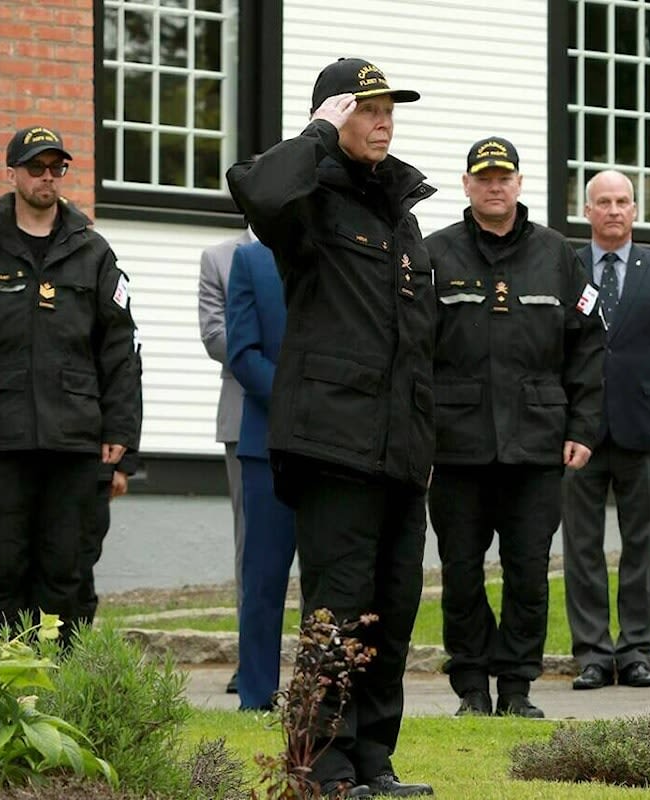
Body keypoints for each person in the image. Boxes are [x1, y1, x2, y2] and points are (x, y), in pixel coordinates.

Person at [226, 58, 435, 798]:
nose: (382, 121)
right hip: (334, 443)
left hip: (400, 452)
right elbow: (255, 186)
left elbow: (420, 341)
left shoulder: (402, 214)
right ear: (334, 115)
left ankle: (373, 762)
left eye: (389, 111)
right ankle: (322, 769)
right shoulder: (308, 200)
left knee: (391, 616)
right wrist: (316, 131)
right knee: (337, 617)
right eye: (366, 108)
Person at [0, 125, 142, 642]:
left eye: (56, 168)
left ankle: (64, 692)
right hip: (1, 440)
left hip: (76, 443)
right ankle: (1, 689)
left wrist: (124, 439)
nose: (47, 178)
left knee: (67, 573)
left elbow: (122, 351)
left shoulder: (93, 253)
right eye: (35, 168)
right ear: (13, 174)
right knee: (5, 571)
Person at [425, 137, 604, 719]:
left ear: (520, 183)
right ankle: (472, 685)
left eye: (504, 177)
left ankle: (518, 686)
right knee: (460, 574)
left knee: (529, 574)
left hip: (535, 445)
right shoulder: (435, 255)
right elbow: (413, 350)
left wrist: (583, 425)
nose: (495, 186)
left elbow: (588, 345)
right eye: (484, 177)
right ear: (467, 185)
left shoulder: (557, 255)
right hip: (457, 447)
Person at [561, 170, 650, 691]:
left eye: (622, 202)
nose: (613, 210)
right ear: (587, 211)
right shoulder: (565, 266)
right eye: (603, 202)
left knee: (643, 545)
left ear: (635, 210)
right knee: (582, 546)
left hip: (645, 430)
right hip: (580, 435)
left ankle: (637, 650)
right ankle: (592, 652)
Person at [225, 237, 295, 713]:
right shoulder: (249, 261)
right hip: (267, 440)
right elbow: (243, 352)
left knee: (334, 579)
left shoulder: (338, 248)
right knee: (264, 577)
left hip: (337, 439)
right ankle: (256, 694)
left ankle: (324, 694)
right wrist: (296, 397)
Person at [198, 227, 255, 693]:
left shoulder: (311, 243)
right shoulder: (219, 258)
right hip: (245, 417)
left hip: (316, 418)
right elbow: (217, 336)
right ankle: (252, 660)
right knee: (252, 547)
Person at [75, 451, 141, 629]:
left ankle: (74, 645)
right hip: (15, 459)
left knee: (79, 563)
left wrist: (123, 465)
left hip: (93, 466)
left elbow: (126, 422)